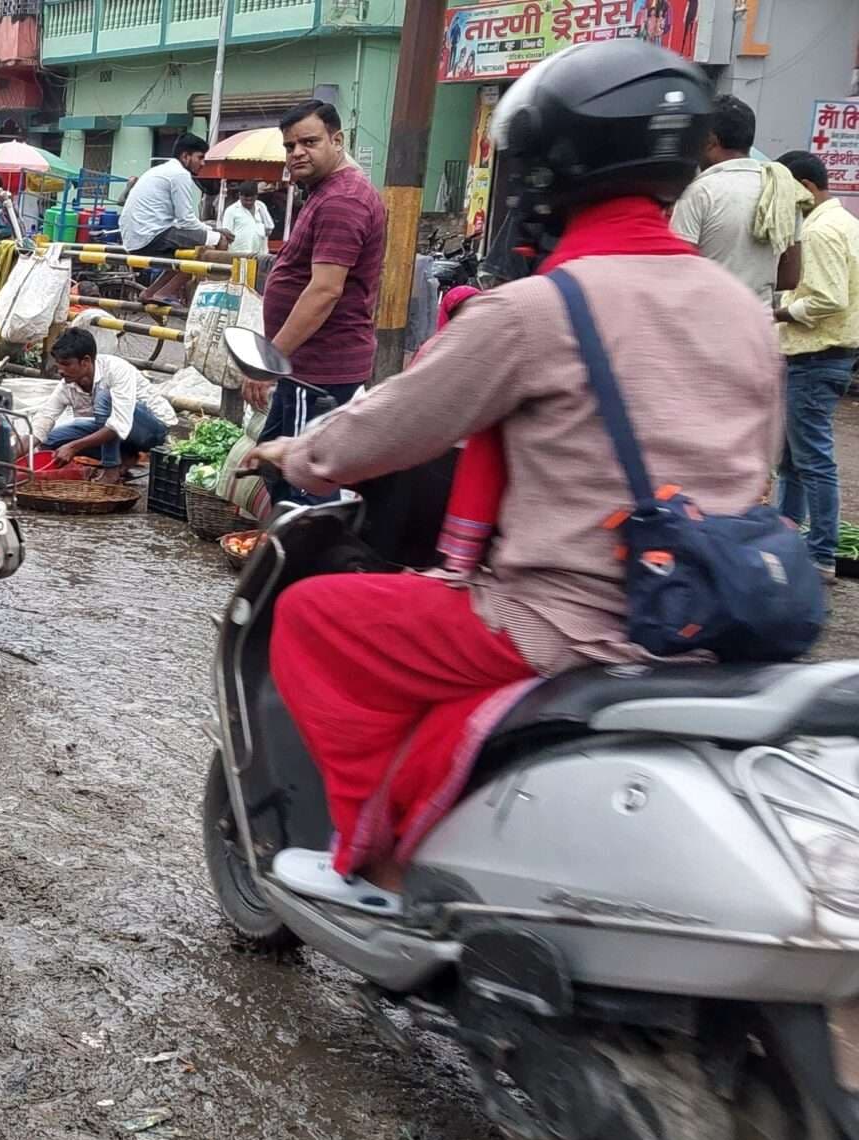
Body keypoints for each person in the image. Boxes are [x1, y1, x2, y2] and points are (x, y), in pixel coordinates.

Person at [243, 40, 783, 910]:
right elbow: (757, 462)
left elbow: (396, 422)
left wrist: (295, 452)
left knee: (312, 616)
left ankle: (370, 861)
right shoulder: (741, 310)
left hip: (564, 621)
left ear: (545, 173)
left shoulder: (537, 308)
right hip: (713, 612)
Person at [256, 101, 385, 422]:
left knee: (295, 469)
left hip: (319, 374)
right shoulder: (326, 191)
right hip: (305, 369)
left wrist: (269, 362)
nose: (297, 152)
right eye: (290, 145)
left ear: (337, 141)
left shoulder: (342, 199)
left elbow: (325, 290)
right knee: (276, 465)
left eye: (309, 142)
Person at [770, 149, 857, 573]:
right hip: (829, 353)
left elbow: (827, 297)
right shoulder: (846, 224)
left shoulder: (820, 231)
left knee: (811, 460)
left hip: (814, 354)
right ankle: (790, 538)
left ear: (804, 188)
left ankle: (820, 552)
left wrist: (780, 310)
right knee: (794, 460)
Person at [670, 94, 801, 302]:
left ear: (710, 141)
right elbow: (791, 277)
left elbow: (677, 273)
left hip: (709, 324)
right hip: (760, 324)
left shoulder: (699, 192)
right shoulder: (781, 190)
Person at [39, 330, 177, 474]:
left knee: (104, 397)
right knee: (50, 439)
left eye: (66, 364)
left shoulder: (116, 369)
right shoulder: (67, 384)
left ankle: (111, 467)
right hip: (117, 430)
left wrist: (73, 447)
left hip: (152, 430)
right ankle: (126, 455)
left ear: (85, 362)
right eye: (59, 364)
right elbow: (43, 421)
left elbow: (119, 424)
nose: (60, 370)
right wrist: (15, 453)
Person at [120, 134, 219, 303]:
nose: (203, 163)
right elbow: (186, 220)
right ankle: (169, 294)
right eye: (200, 157)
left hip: (135, 237)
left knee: (189, 256)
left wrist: (207, 229)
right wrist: (214, 231)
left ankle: (150, 293)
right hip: (150, 236)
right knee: (219, 241)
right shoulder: (180, 174)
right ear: (185, 156)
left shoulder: (160, 170)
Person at [221, 182, 273, 258]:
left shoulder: (261, 206)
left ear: (256, 196)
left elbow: (269, 227)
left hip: (260, 255)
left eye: (251, 198)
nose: (249, 200)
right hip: (239, 255)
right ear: (239, 195)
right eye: (245, 198)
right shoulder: (231, 211)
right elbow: (226, 234)